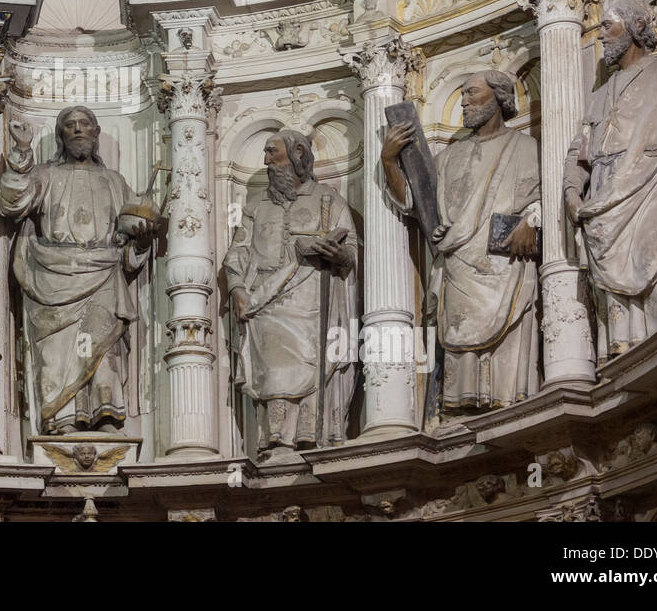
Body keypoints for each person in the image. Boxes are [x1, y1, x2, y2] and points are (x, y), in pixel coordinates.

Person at [382, 72, 540, 411]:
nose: (464, 103)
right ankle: (461, 411)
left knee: (507, 353)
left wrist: (532, 219)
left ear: (499, 98)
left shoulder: (526, 147)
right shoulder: (450, 156)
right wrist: (388, 160)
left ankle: (507, 403)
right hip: (458, 267)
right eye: (463, 95)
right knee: (459, 362)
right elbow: (414, 201)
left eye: (472, 94)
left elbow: (543, 195)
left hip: (504, 266)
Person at [0, 105, 157, 435]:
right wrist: (21, 152)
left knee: (103, 348)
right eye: (70, 126)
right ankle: (61, 417)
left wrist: (141, 240)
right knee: (56, 352)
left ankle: (105, 415)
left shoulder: (114, 181)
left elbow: (128, 243)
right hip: (53, 277)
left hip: (102, 275)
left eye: (85, 124)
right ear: (61, 136)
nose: (78, 130)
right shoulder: (44, 174)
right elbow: (12, 204)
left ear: (96, 133)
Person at [224, 129, 358, 451]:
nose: (266, 160)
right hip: (266, 301)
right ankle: (276, 437)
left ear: (298, 154)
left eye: (273, 152)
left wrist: (340, 254)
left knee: (314, 361)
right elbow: (239, 251)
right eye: (266, 153)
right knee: (275, 366)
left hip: (312, 297)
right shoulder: (257, 207)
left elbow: (351, 248)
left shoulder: (329, 200)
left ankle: (310, 433)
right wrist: (237, 287)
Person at [563, 0, 657, 359]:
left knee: (648, 259)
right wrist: (572, 190)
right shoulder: (599, 95)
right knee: (609, 276)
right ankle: (619, 349)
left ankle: (656, 339)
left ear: (636, 28)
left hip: (645, 184)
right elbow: (580, 148)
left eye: (609, 25)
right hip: (604, 190)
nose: (602, 35)